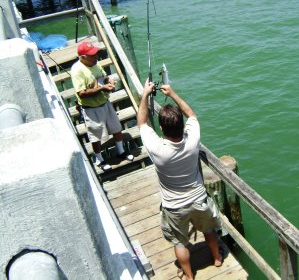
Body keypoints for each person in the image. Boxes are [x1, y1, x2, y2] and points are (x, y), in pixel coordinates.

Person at [138, 80, 223, 280]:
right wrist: (173, 93)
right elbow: (192, 114)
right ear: (181, 126)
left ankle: (189, 275)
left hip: (174, 206)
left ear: (161, 128)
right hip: (199, 198)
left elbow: (142, 122)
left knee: (180, 243)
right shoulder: (192, 140)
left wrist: (145, 95)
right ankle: (217, 257)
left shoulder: (158, 149)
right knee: (209, 230)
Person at [71, 41, 133, 171]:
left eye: (95, 54)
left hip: (105, 103)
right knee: (96, 136)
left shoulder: (96, 63)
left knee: (117, 128)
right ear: (83, 57)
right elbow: (81, 93)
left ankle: (121, 151)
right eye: (92, 55)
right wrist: (102, 89)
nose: (95, 57)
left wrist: (108, 81)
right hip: (91, 109)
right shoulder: (77, 71)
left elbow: (104, 77)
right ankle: (99, 160)